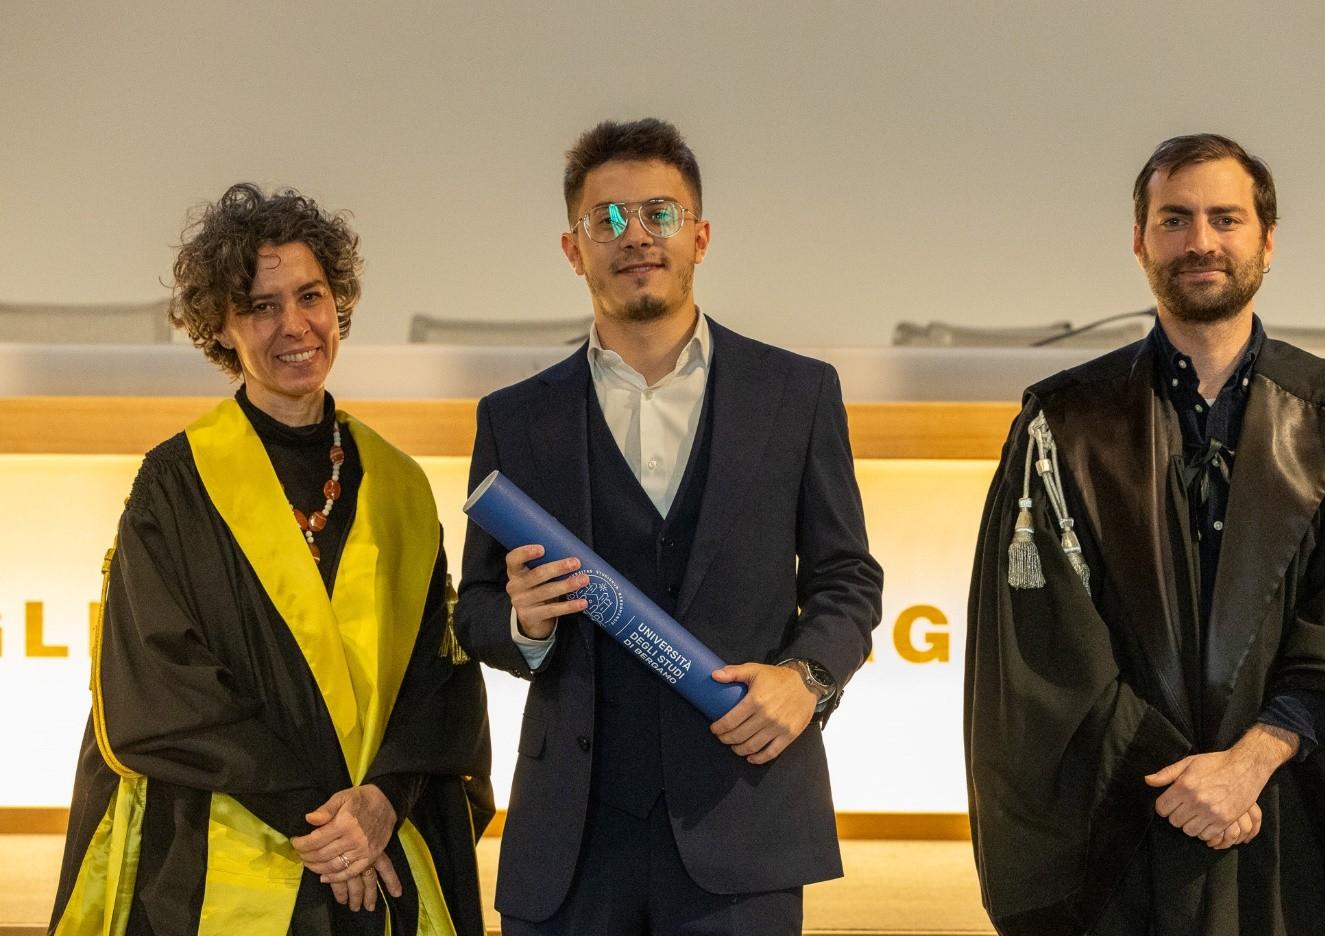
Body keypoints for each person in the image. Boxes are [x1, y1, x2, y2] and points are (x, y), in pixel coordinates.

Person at [965, 133, 1325, 936]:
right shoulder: (1065, 426)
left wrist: (1250, 765)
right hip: (1124, 834)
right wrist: (1188, 784)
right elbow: (1045, 650)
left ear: (1267, 241)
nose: (1201, 241)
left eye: (1225, 219)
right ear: (1139, 241)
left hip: (1296, 826)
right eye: (1174, 219)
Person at [456, 118, 883, 935]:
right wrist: (524, 623)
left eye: (659, 212)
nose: (635, 236)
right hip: (571, 838)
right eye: (607, 219)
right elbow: (475, 606)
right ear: (573, 249)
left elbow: (848, 578)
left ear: (700, 236)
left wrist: (807, 678)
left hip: (744, 819)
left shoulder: (796, 394)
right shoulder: (514, 419)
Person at [49, 184, 493, 934]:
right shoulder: (176, 485)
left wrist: (381, 803)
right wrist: (327, 826)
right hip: (228, 862)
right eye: (261, 306)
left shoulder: (399, 485)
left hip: (375, 853)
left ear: (337, 304)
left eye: (310, 296)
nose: (295, 325)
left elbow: (438, 678)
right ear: (221, 327)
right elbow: (161, 685)